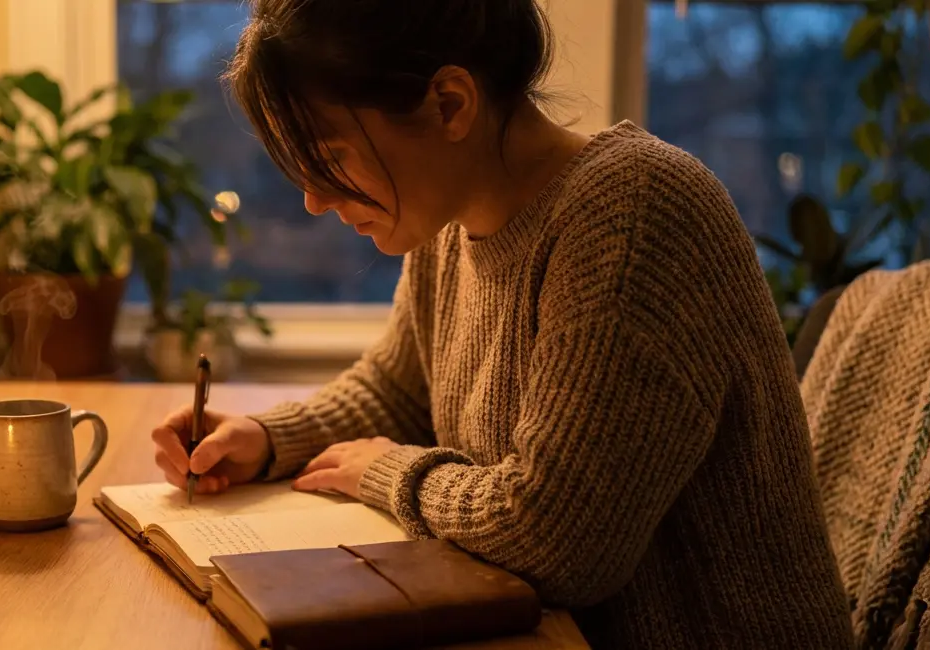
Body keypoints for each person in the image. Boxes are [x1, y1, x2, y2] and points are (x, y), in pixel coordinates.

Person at [149, 1, 854, 647]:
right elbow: (399, 391)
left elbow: (559, 539)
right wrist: (270, 439)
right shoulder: (448, 224)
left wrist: (389, 474)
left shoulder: (634, 213)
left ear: (449, 103)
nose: (311, 200)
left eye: (331, 158)